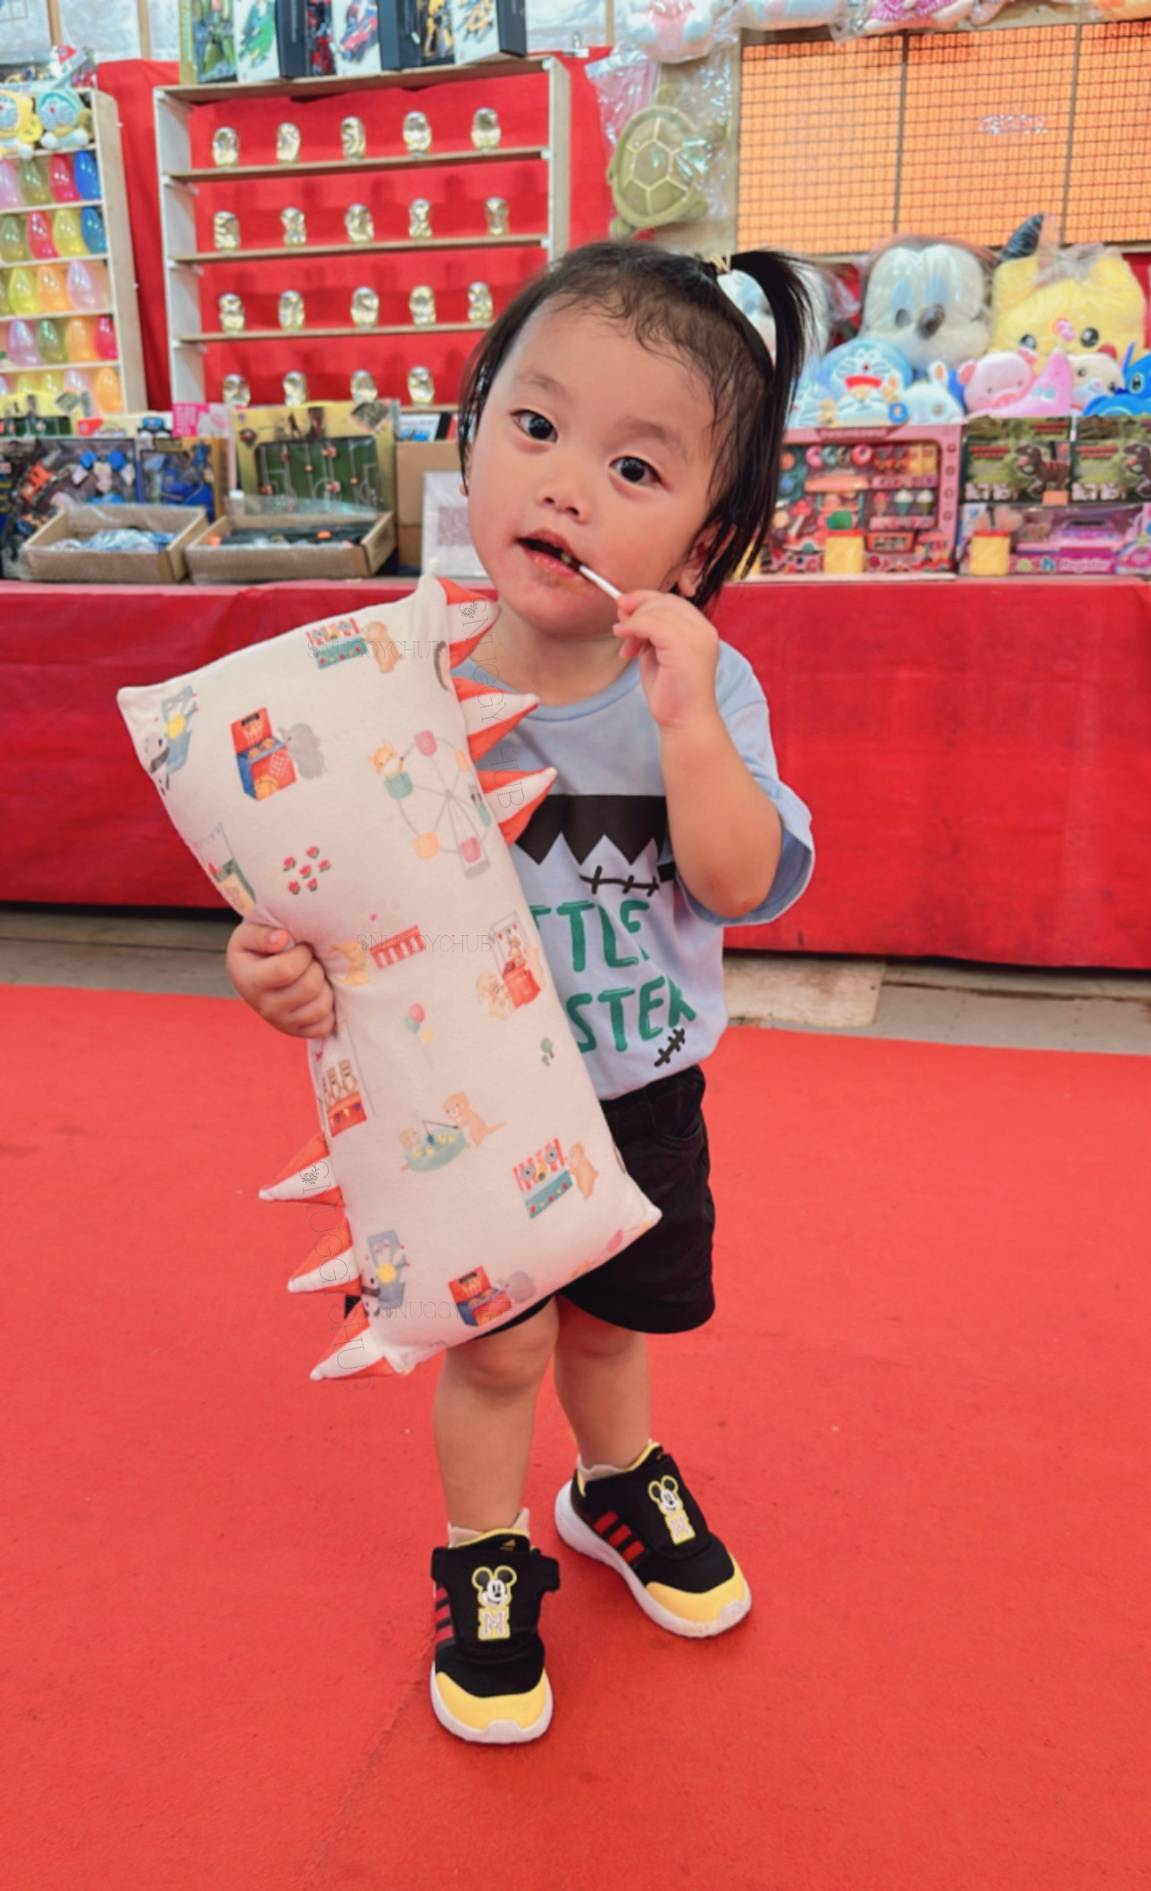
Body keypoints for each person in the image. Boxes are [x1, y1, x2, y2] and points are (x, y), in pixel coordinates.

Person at [226, 241, 816, 1746]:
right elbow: (317, 900)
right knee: (501, 1346)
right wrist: (278, 973)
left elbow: (745, 882)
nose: (563, 487)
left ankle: (612, 1485)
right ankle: (487, 1553)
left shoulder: (707, 682)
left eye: (633, 463)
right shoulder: (398, 676)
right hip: (467, 1103)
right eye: (535, 428)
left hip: (642, 1091)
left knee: (617, 1328)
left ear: (706, 535)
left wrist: (687, 725)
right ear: (473, 430)